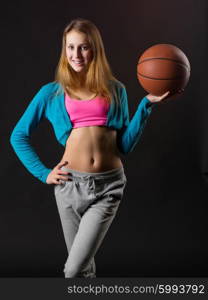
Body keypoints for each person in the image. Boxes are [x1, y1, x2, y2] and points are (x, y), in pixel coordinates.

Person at [10, 18, 172, 278]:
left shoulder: (115, 89)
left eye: (83, 47)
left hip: (108, 187)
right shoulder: (51, 93)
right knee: (84, 271)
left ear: (95, 49)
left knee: (73, 270)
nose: (76, 54)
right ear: (64, 50)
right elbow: (18, 135)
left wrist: (146, 105)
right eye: (70, 47)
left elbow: (124, 146)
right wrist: (44, 173)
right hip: (69, 186)